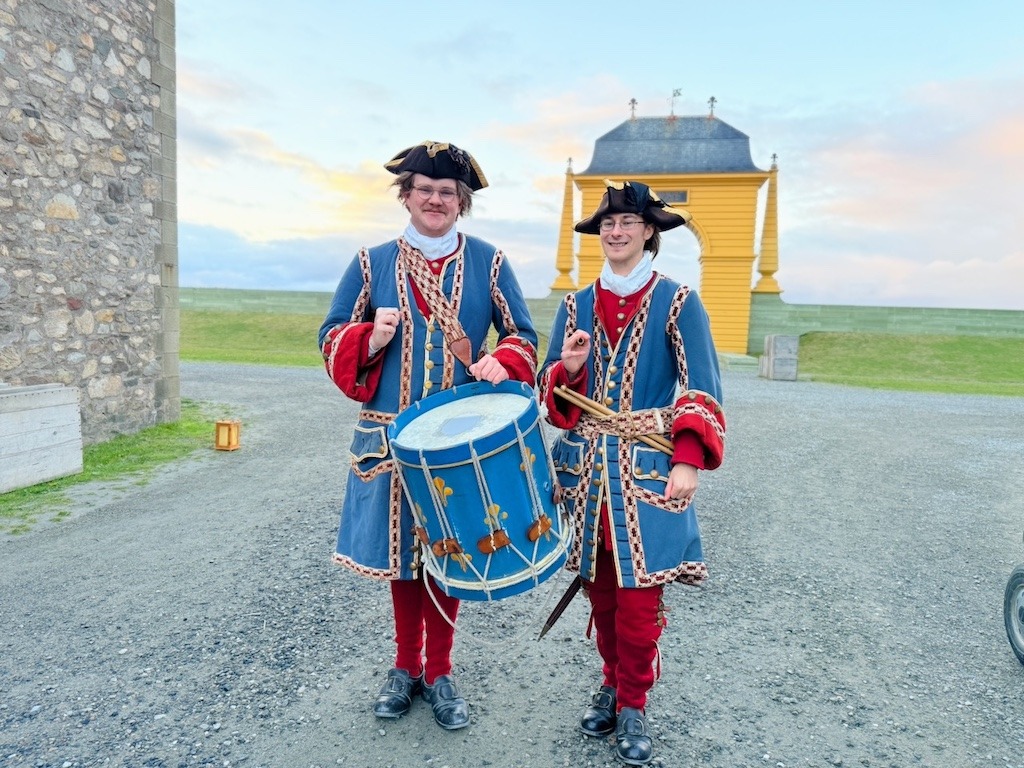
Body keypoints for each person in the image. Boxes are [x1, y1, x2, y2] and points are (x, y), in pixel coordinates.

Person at [318, 141, 538, 731]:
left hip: (457, 443)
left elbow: (523, 334)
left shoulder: (490, 262)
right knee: (404, 562)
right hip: (390, 438)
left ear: (460, 202)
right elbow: (329, 335)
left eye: (447, 192)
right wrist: (370, 336)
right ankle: (403, 668)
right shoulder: (371, 262)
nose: (435, 200)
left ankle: (439, 671)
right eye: (424, 189)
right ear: (407, 196)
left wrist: (503, 361)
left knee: (449, 555)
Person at [538, 180, 726, 765]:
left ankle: (634, 702)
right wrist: (568, 369)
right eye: (607, 224)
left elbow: (701, 385)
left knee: (640, 596)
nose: (614, 232)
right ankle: (612, 682)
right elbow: (554, 404)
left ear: (649, 231)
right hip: (587, 471)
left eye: (626, 223)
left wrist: (688, 459)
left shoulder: (678, 300)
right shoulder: (573, 305)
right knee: (599, 592)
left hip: (647, 467)